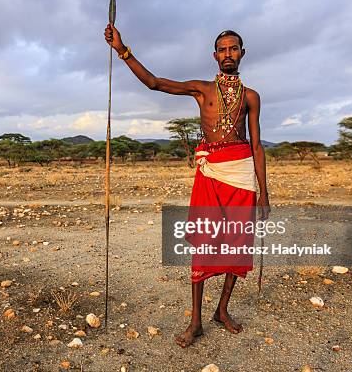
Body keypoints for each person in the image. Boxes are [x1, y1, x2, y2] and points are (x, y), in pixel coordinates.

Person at [104, 24, 270, 348]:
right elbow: (155, 83)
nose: (227, 54)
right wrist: (122, 51)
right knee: (204, 243)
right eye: (222, 50)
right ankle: (195, 320)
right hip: (211, 176)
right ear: (214, 55)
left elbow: (257, 145)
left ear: (242, 53)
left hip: (241, 175)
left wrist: (265, 192)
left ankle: (222, 310)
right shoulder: (202, 90)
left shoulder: (251, 97)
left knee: (237, 245)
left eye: (233, 49)